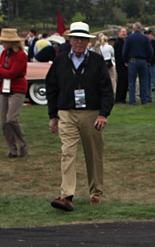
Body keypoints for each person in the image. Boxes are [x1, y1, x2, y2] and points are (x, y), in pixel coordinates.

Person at [45, 22, 114, 211]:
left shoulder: (97, 61)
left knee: (93, 154)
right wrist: (53, 116)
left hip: (91, 114)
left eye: (83, 39)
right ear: (70, 40)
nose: (80, 43)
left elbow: (107, 90)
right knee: (67, 152)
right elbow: (51, 88)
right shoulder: (60, 61)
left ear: (88, 42)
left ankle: (96, 192)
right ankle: (66, 195)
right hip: (66, 113)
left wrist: (103, 114)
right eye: (76, 39)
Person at [0, 27, 29, 158]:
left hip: (17, 88)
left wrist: (0, 70)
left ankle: (23, 142)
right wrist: (1, 70)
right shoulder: (4, 53)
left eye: (4, 41)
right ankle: (12, 150)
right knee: (4, 122)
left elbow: (12, 73)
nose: (2, 43)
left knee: (11, 118)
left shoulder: (21, 55)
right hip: (4, 88)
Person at [122, 22, 152, 105]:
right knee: (143, 81)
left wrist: (125, 60)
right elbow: (150, 51)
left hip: (132, 60)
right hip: (143, 60)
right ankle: (144, 100)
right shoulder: (145, 38)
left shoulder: (129, 38)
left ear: (133, 28)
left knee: (132, 82)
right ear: (141, 28)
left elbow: (125, 51)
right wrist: (148, 60)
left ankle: (132, 100)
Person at [113, 26, 128, 103]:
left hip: (125, 64)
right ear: (118, 33)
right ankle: (119, 98)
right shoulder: (118, 43)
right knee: (121, 81)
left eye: (125, 32)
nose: (124, 33)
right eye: (122, 32)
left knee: (125, 81)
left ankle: (123, 98)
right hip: (120, 64)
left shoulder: (125, 42)